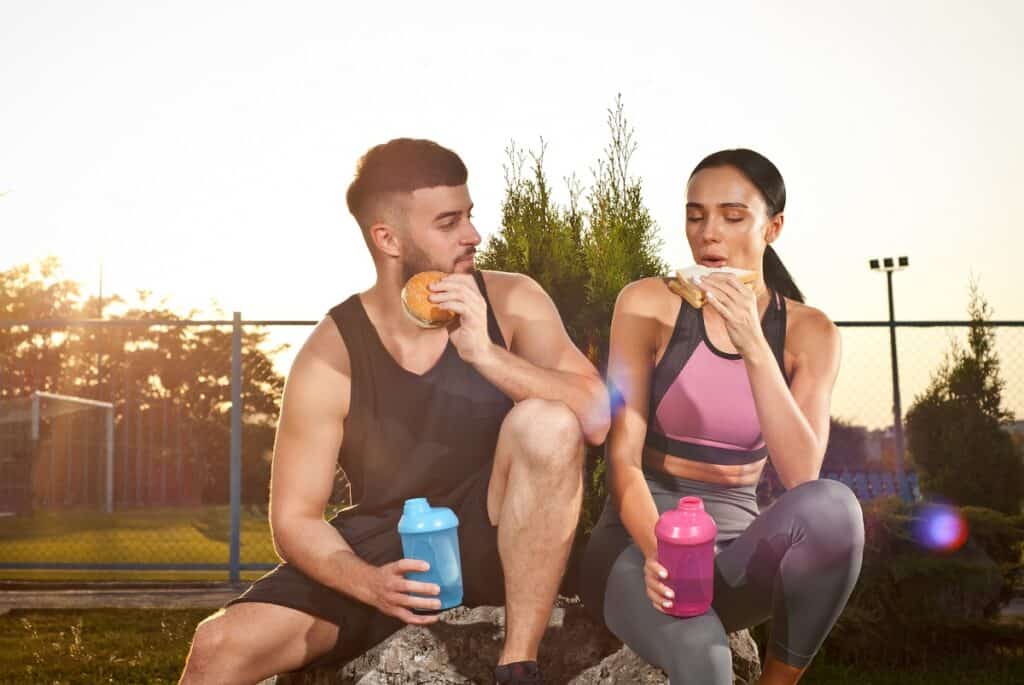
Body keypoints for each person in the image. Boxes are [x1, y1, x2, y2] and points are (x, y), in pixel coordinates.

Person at [179, 138, 610, 685]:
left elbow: (596, 414)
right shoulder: (330, 354)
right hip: (391, 546)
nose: (473, 235)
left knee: (548, 422)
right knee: (218, 646)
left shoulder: (511, 300)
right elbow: (294, 518)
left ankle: (517, 665)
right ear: (387, 238)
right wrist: (369, 583)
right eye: (449, 222)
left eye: (469, 216)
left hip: (501, 526)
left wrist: (486, 355)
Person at [580, 149, 864, 685]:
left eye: (732, 217)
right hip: (639, 549)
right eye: (695, 215)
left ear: (772, 227)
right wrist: (659, 555)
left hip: (734, 560)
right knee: (709, 662)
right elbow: (622, 461)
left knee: (835, 507)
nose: (708, 234)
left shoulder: (810, 332)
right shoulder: (646, 305)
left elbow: (803, 475)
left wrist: (754, 345)